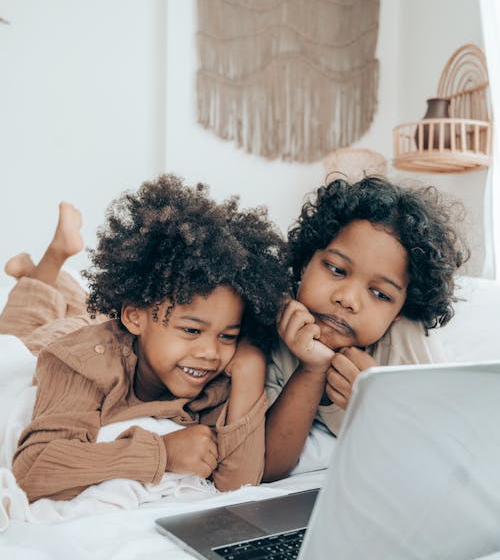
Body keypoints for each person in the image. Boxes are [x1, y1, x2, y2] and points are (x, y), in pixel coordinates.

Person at [0, 174, 289, 502]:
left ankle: (39, 275)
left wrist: (251, 366)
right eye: (191, 330)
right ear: (134, 315)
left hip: (120, 328)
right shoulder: (82, 362)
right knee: (20, 334)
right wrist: (161, 452)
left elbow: (238, 487)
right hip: (71, 337)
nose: (210, 351)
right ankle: (51, 261)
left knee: (83, 307)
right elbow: (33, 469)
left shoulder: (214, 374)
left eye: (227, 335)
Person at [264, 176, 469, 481]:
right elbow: (268, 467)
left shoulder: (404, 339)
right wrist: (311, 370)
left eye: (380, 294)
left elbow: (448, 454)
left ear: (399, 312)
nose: (347, 299)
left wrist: (379, 402)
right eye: (336, 269)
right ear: (307, 261)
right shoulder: (281, 328)